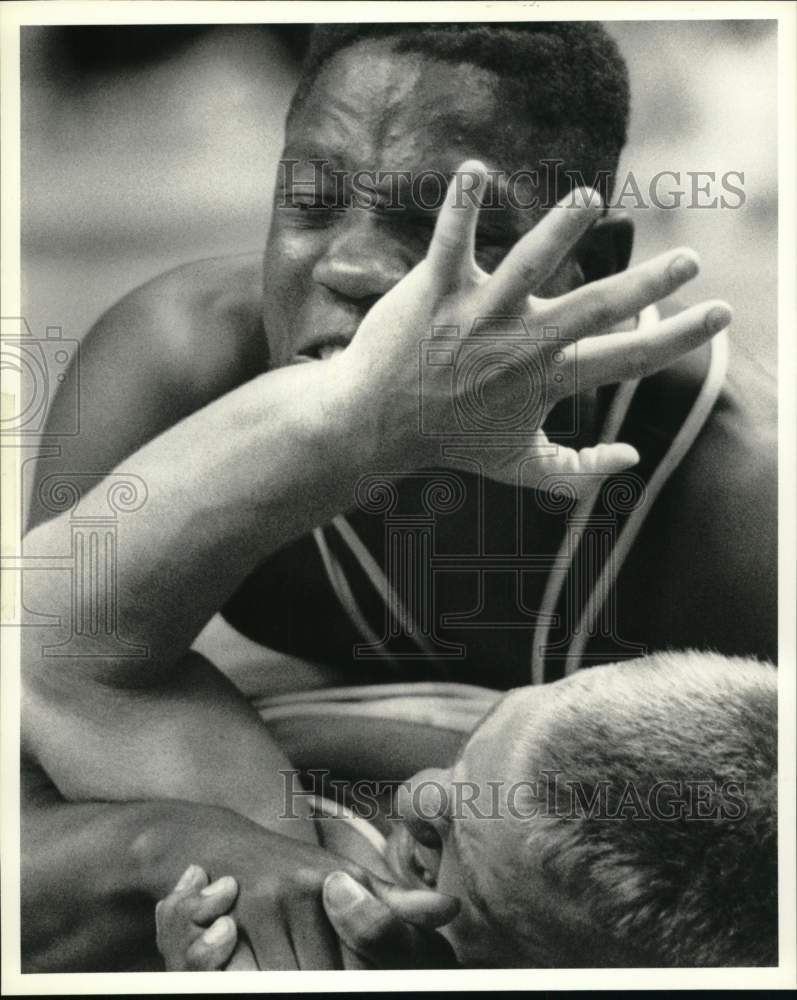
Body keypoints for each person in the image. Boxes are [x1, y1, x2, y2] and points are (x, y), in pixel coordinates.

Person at [21, 23, 776, 971]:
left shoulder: (738, 495)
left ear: (584, 264)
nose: (354, 268)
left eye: (442, 228)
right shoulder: (175, 371)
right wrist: (186, 851)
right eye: (310, 202)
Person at [77, 652, 782, 968]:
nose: (416, 789)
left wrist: (163, 846)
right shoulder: (538, 792)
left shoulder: (321, 913)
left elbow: (76, 651)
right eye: (486, 731)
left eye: (445, 854)